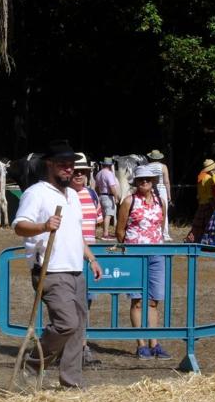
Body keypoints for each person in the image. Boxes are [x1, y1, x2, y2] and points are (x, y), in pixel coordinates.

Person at [12, 140, 103, 389]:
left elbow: (76, 234)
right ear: (49, 164)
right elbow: (19, 226)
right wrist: (43, 226)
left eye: (71, 165)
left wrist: (91, 258)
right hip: (50, 270)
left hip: (76, 270)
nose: (69, 169)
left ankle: (71, 383)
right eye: (63, 164)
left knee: (78, 328)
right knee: (66, 323)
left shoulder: (73, 195)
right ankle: (32, 367)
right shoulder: (36, 193)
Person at [115, 165, 169, 359]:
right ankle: (141, 344)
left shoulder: (160, 201)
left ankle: (155, 343)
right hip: (135, 255)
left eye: (147, 179)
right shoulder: (129, 201)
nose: (144, 182)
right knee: (137, 301)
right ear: (135, 182)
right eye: (140, 180)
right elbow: (120, 230)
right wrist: (129, 251)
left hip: (157, 254)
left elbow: (160, 228)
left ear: (153, 181)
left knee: (154, 301)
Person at [71, 156, 103, 365]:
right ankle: (75, 348)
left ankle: (81, 346)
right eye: (76, 170)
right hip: (70, 256)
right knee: (71, 305)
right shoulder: (63, 196)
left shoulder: (92, 194)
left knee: (86, 304)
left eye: (84, 171)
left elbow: (97, 223)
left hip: (88, 256)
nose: (80, 174)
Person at [143, 149, 172, 239]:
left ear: (151, 158)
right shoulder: (163, 167)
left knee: (150, 211)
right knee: (164, 211)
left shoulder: (146, 166)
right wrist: (169, 195)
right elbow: (166, 181)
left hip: (149, 189)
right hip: (162, 189)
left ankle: (150, 231)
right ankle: (165, 234)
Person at [95, 157, 119, 239]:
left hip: (101, 195)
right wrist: (116, 197)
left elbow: (96, 187)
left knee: (104, 215)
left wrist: (98, 196)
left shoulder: (99, 173)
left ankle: (104, 232)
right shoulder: (109, 174)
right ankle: (105, 233)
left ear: (102, 164)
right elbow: (112, 186)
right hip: (108, 196)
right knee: (108, 215)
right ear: (110, 165)